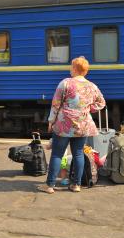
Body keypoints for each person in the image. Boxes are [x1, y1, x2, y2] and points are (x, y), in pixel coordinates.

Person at [37, 56, 106, 194]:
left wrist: (51, 121)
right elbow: (101, 103)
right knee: (78, 154)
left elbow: (56, 104)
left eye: (71, 66)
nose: (70, 69)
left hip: (64, 124)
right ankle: (76, 185)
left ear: (75, 69)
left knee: (57, 154)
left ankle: (50, 185)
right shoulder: (92, 86)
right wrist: (88, 109)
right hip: (83, 125)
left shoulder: (66, 83)